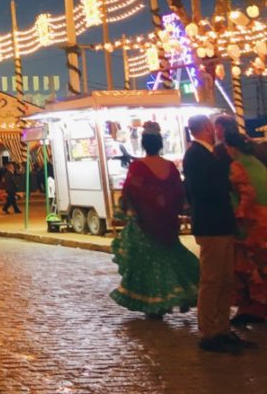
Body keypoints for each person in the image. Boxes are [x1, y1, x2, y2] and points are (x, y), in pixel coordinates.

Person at [109, 129, 199, 318]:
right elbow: (178, 192)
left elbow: (130, 191)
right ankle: (178, 296)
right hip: (167, 221)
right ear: (160, 145)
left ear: (143, 145)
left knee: (149, 263)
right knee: (171, 257)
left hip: (145, 223)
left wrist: (124, 212)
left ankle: (155, 303)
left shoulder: (138, 167)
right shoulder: (170, 166)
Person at [183, 114, 252, 354]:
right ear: (204, 128)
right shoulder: (195, 155)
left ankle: (222, 327)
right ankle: (210, 331)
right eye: (211, 127)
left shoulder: (209, 154)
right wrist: (227, 177)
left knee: (225, 278)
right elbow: (201, 189)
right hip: (211, 223)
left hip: (221, 222)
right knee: (212, 279)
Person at [224, 130, 267, 326]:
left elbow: (247, 193)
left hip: (252, 221)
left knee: (249, 265)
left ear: (232, 148)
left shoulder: (237, 166)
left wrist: (238, 214)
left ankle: (254, 308)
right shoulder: (257, 163)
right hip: (264, 217)